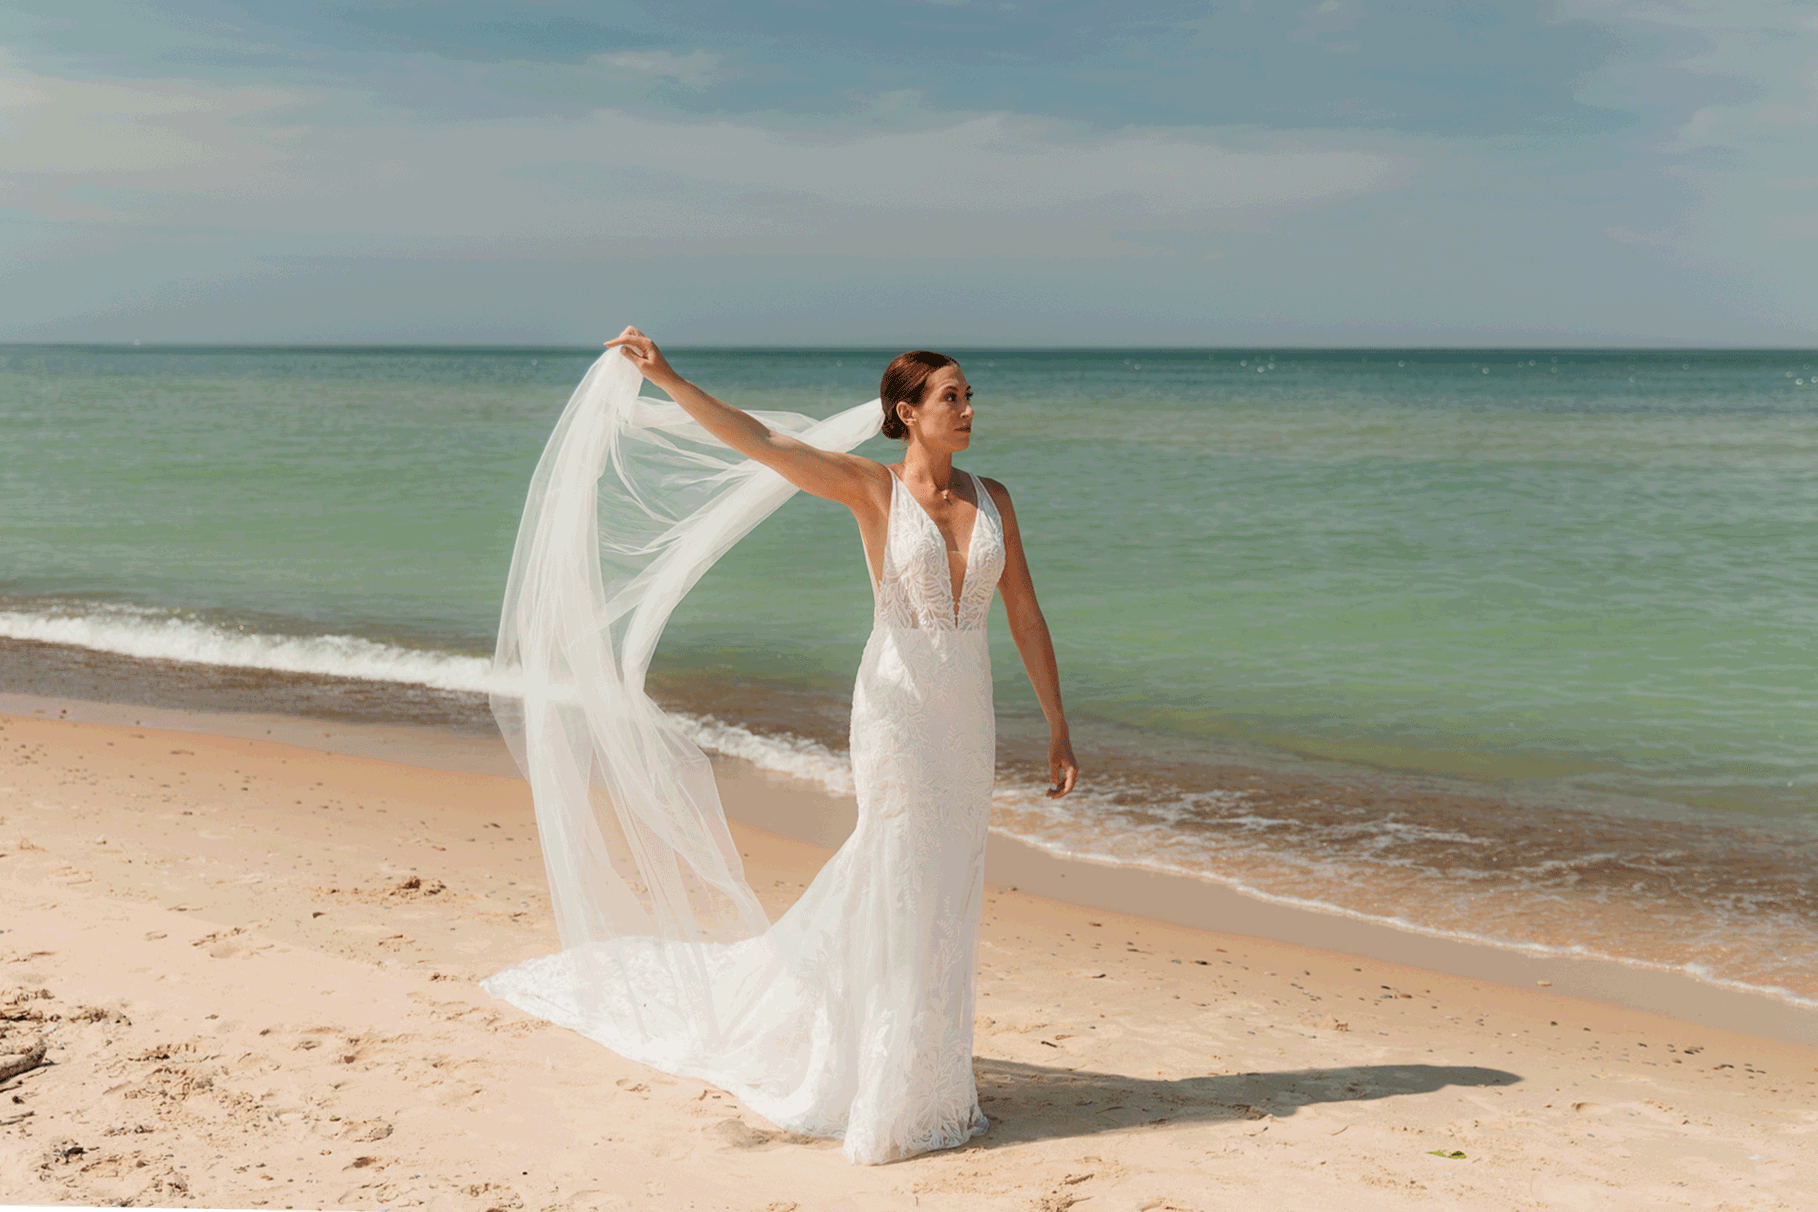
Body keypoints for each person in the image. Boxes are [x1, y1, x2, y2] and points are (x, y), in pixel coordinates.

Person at [482, 326, 1077, 1165]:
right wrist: (670, 377)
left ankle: (932, 1075)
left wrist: (1056, 722)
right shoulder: (871, 489)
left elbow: (1023, 613)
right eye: (953, 397)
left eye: (969, 395)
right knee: (898, 868)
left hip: (965, 716)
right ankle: (886, 1084)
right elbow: (762, 443)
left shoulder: (996, 499)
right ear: (906, 413)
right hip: (897, 714)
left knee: (948, 882)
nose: (969, 408)